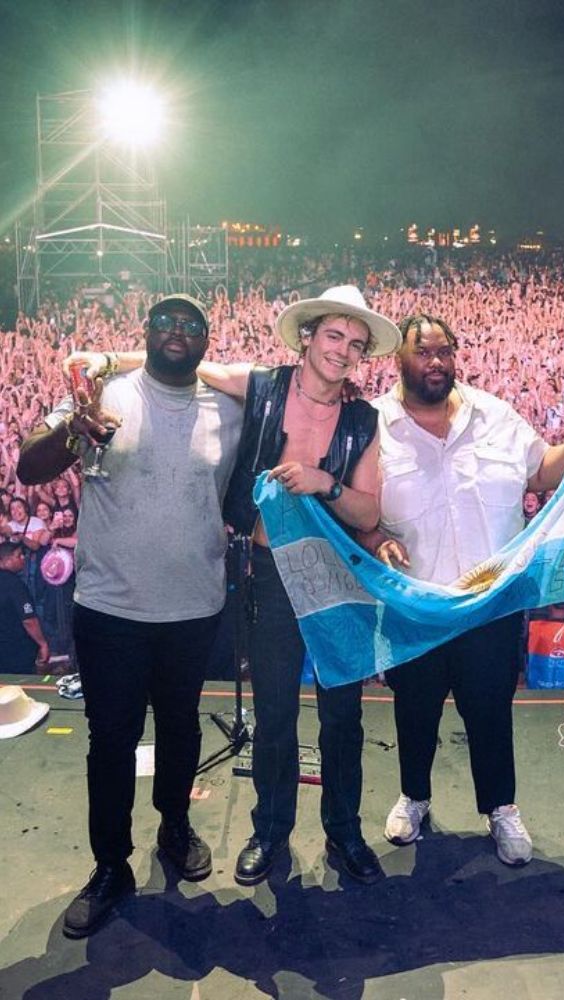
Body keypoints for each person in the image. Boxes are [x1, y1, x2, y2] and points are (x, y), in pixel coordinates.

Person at [77, 284, 399, 886]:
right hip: (272, 575)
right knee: (275, 716)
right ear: (307, 337)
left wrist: (321, 481)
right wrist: (101, 361)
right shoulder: (263, 387)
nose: (343, 351)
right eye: (334, 335)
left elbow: (365, 511)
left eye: (356, 344)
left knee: (342, 718)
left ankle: (344, 833)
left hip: (337, 576)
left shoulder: (363, 418)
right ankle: (269, 833)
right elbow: (178, 358)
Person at [18, 293, 243, 939]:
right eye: (166, 322)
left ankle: (175, 826)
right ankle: (110, 865)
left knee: (180, 730)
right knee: (111, 742)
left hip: (194, 606)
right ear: (145, 333)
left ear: (208, 339)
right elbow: (31, 466)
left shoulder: (227, 410)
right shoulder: (103, 393)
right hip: (110, 608)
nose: (178, 331)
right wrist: (72, 430)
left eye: (191, 324)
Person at [366, 313, 564, 866]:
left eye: (444, 351)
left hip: (488, 606)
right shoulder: (375, 424)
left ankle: (501, 809)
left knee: (491, 711)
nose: (436, 362)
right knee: (414, 711)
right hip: (415, 606)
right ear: (398, 357)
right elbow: (357, 502)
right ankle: (414, 797)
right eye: (423, 352)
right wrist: (375, 536)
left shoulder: (494, 415)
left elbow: (541, 471)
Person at [0, 540, 50, 673]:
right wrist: (42, 643)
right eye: (19, 555)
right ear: (6, 560)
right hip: (14, 650)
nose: (23, 559)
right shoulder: (14, 584)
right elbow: (28, 620)